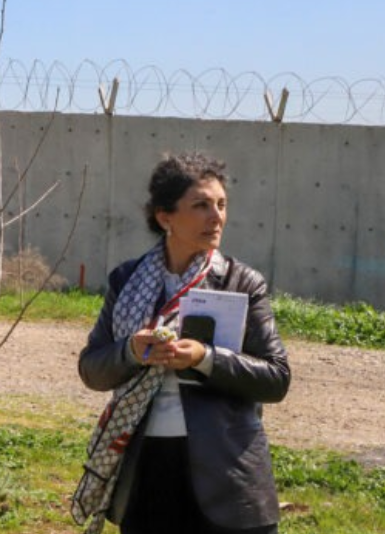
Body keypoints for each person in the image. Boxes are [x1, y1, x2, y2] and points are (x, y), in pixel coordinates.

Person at [74, 152, 291, 534]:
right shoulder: (127, 280)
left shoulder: (241, 281)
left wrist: (205, 358)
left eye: (222, 205)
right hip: (147, 469)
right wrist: (131, 352)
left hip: (228, 472)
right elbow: (92, 368)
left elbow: (276, 378)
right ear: (165, 217)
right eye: (201, 205)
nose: (217, 216)